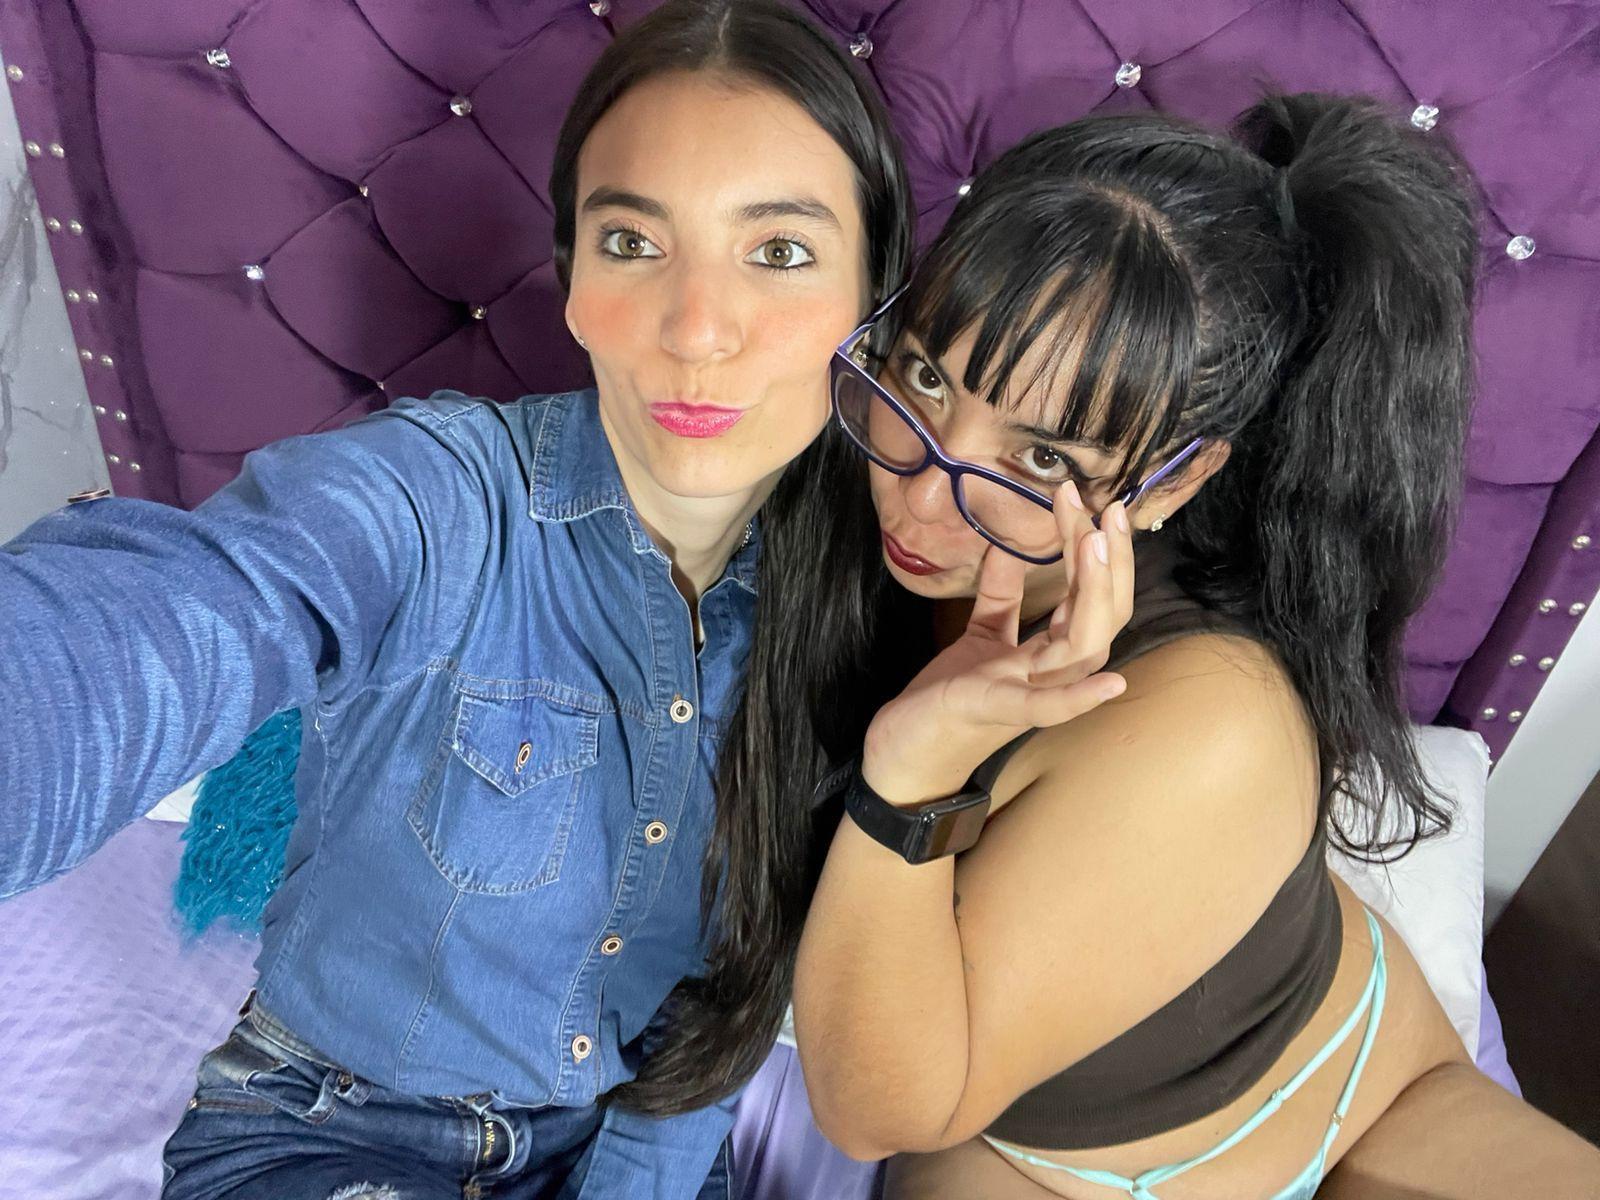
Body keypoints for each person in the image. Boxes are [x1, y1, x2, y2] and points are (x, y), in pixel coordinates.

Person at [0, 2, 912, 1196]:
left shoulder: (862, 601)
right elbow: (192, 613)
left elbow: (723, 1014)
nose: (697, 331)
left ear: (870, 306)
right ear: (573, 282)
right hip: (335, 1133)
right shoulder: (439, 501)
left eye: (779, 252)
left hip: (627, 1145)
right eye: (632, 242)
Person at [787, 94, 1600, 1198]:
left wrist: (907, 776)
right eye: (930, 378)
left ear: (1175, 482)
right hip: (1042, 1167)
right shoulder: (849, 452)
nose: (926, 495)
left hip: (1360, 1105)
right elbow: (880, 1103)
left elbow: (873, 1109)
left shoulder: (1212, 715)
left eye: (1042, 460)